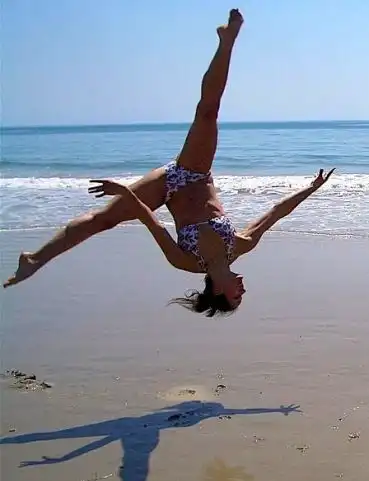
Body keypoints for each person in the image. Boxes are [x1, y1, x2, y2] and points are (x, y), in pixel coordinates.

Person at [2, 9, 335, 317]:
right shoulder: (241, 245)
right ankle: (227, 41)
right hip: (195, 172)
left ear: (219, 291)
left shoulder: (186, 262)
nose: (243, 290)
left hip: (166, 187)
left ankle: (34, 259)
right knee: (208, 112)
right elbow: (277, 211)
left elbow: (153, 224)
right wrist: (312, 188)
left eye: (237, 297)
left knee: (103, 220)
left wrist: (125, 191)